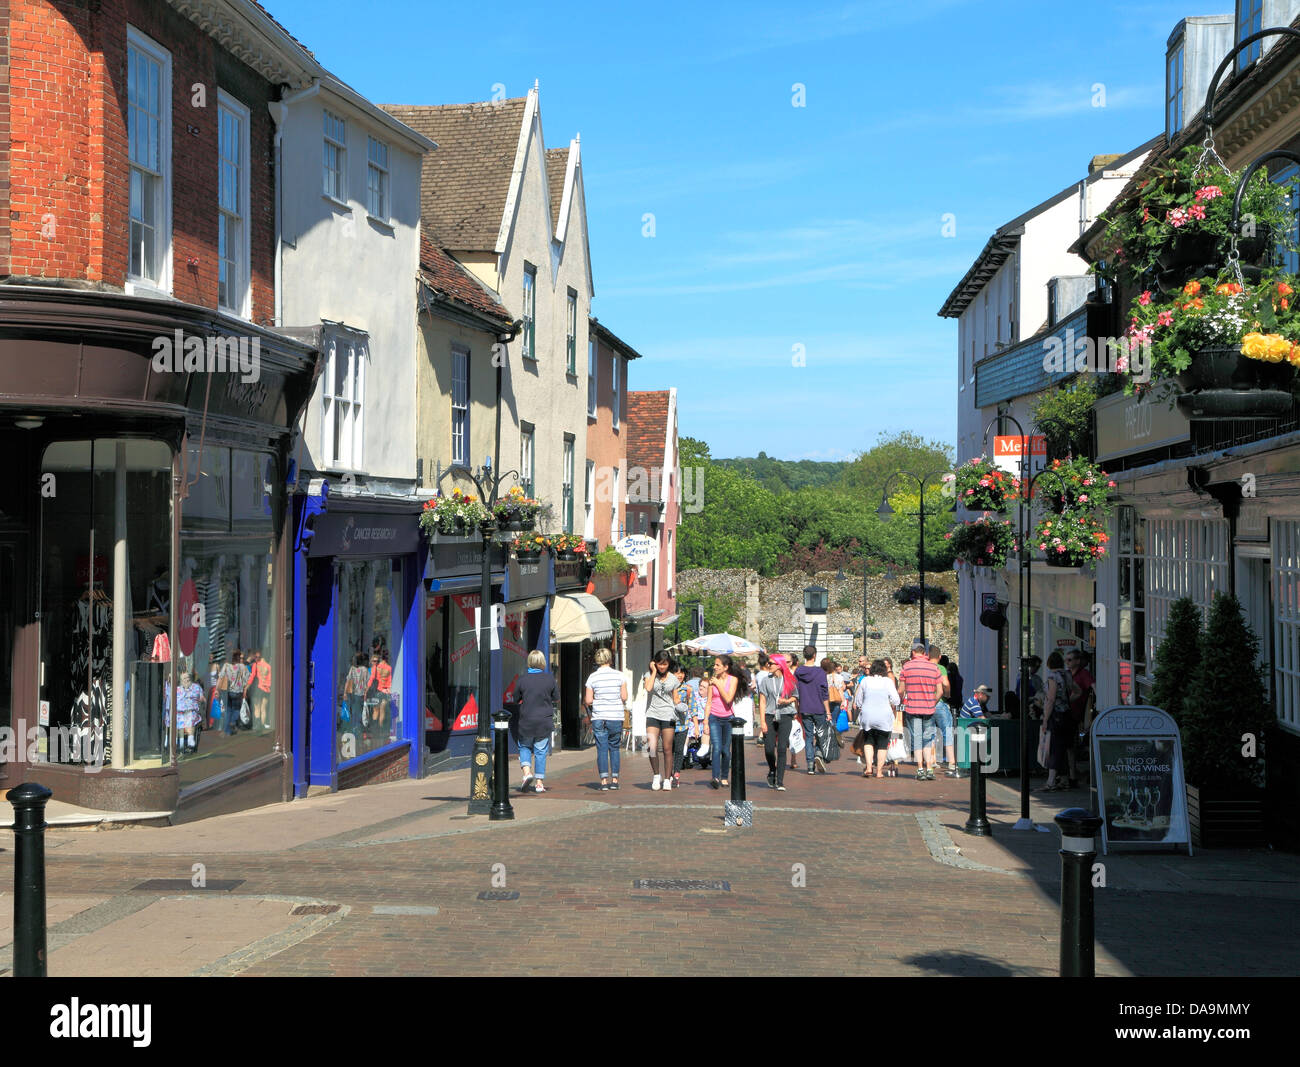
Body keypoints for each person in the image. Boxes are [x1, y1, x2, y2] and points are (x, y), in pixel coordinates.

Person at [506, 650, 560, 793]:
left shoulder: (522, 679)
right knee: (541, 751)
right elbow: (556, 697)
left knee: (524, 746)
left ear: (529, 662)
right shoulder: (550, 679)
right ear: (542, 662)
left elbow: (515, 698)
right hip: (544, 721)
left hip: (527, 720)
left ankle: (526, 773)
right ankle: (539, 783)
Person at [584, 646, 628, 791]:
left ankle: (603, 781)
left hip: (599, 716)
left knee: (601, 749)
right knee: (614, 748)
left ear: (597, 660)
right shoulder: (620, 675)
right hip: (615, 715)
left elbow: (588, 700)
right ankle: (615, 780)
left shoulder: (592, 677)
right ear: (610, 659)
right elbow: (624, 697)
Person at [897, 641, 942, 780]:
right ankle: (929, 767)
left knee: (916, 739)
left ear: (912, 652)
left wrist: (900, 700)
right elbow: (940, 691)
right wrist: (932, 702)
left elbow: (901, 690)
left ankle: (920, 769)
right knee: (928, 739)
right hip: (928, 709)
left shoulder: (907, 667)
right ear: (925, 653)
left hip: (912, 708)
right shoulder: (934, 668)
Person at [702, 655, 745, 788]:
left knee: (726, 750)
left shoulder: (733, 680)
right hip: (714, 717)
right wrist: (705, 721)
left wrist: (719, 684)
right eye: (714, 665)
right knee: (716, 747)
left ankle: (725, 776)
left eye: (717, 665)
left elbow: (728, 699)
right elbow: (708, 702)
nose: (714, 667)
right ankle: (715, 777)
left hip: (728, 718)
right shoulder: (712, 681)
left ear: (726, 667)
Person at [853, 659, 900, 779]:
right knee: (882, 745)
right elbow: (896, 700)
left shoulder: (865, 681)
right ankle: (879, 771)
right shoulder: (888, 681)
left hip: (868, 715)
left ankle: (869, 767)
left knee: (868, 742)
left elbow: (858, 701)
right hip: (884, 716)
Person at [757, 652, 798, 790]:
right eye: (768, 663)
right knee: (769, 748)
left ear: (779, 665)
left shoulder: (789, 680)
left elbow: (795, 697)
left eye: (771, 663)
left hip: (785, 715)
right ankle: (772, 769)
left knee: (781, 748)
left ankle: (780, 781)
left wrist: (786, 700)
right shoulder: (765, 680)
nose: (768, 665)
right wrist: (762, 721)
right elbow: (762, 701)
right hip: (769, 715)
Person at [642, 651, 680, 791]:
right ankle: (656, 775)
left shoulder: (673, 679)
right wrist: (653, 671)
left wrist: (680, 705)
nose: (662, 667)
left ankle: (667, 778)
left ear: (669, 664)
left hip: (668, 715)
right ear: (655, 663)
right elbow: (648, 688)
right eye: (659, 664)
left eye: (665, 664)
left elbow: (675, 698)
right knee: (651, 746)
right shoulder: (649, 675)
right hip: (652, 714)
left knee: (667, 748)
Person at [1038, 651, 1075, 791]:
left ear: (1049, 664)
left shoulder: (1052, 677)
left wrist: (1045, 719)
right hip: (1067, 714)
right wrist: (1065, 701)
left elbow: (1051, 698)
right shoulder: (1067, 675)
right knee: (1063, 747)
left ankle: (1051, 781)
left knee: (1054, 747)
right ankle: (1065, 780)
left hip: (1056, 715)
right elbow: (1076, 691)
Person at [794, 645, 830, 774]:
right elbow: (824, 693)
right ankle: (818, 754)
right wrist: (828, 711)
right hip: (819, 707)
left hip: (805, 707)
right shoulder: (820, 672)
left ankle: (810, 765)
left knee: (808, 736)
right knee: (821, 734)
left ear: (804, 656)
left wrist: (797, 708)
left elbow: (795, 691)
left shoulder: (798, 671)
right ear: (814, 655)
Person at [927, 644, 959, 778]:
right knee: (947, 731)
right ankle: (952, 762)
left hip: (927, 704)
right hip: (939, 703)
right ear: (939, 657)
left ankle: (932, 761)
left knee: (930, 733)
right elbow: (945, 684)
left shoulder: (925, 667)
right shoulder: (940, 668)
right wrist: (948, 695)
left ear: (928, 656)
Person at [1066, 649, 1096, 787]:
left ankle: (1073, 775)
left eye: (1070, 660)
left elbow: (1094, 688)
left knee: (1072, 746)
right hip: (1067, 713)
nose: (1067, 662)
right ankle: (1070, 774)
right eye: (1066, 660)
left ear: (1078, 661)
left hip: (1076, 715)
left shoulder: (1084, 674)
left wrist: (1096, 705)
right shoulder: (1067, 674)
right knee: (1069, 746)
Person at [671, 663, 692, 785]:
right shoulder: (668, 688)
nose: (679, 675)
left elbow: (692, 707)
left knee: (679, 750)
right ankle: (668, 774)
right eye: (677, 672)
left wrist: (695, 725)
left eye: (682, 672)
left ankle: (676, 775)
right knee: (669, 750)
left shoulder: (688, 688)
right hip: (669, 723)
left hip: (683, 724)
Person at [220, 650, 250, 736]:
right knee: (236, 709)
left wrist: (218, 690)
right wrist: (244, 688)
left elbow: (221, 676)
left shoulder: (227, 665)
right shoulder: (242, 666)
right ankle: (233, 722)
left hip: (229, 691)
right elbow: (247, 678)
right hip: (238, 691)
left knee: (228, 710)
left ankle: (227, 731)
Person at [245, 648, 272, 732]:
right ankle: (262, 726)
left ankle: (257, 726)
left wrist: (246, 687)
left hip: (259, 688)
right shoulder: (268, 666)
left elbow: (252, 676)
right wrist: (267, 687)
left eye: (256, 657)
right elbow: (270, 679)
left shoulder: (256, 665)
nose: (255, 658)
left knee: (257, 708)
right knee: (263, 709)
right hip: (267, 689)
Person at [824, 657, 846, 732]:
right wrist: (843, 701)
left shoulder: (825, 676)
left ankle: (826, 736)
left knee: (826, 718)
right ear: (835, 668)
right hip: (837, 700)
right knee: (834, 720)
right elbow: (842, 688)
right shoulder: (839, 677)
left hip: (827, 700)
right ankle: (833, 737)